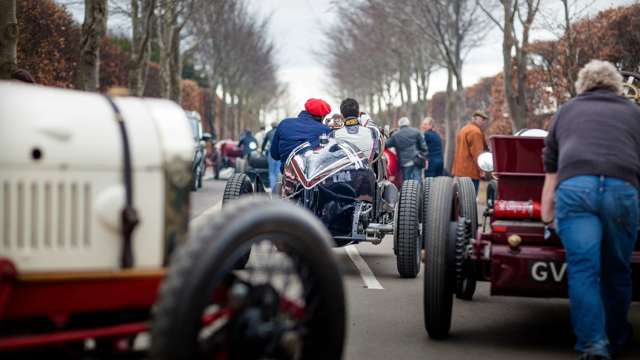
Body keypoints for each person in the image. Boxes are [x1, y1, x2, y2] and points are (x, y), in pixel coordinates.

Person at [541, 60, 640, 360]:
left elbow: (551, 166)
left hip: (575, 189)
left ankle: (593, 346)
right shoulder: (634, 113)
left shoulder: (567, 111)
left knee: (584, 270)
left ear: (582, 85)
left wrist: (547, 213)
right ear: (617, 85)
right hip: (622, 190)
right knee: (617, 269)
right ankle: (617, 337)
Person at [270, 98, 332, 171]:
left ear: (306, 110)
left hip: (288, 175)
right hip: (313, 175)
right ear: (322, 116)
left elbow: (274, 155)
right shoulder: (325, 130)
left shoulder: (284, 123)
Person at [451, 110, 489, 192]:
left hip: (460, 171)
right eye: (481, 119)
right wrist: (481, 170)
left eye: (484, 120)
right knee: (470, 201)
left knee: (460, 200)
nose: (483, 122)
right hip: (471, 172)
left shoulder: (464, 129)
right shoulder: (476, 132)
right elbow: (477, 154)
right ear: (474, 119)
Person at [385, 117, 428, 182]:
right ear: (408, 123)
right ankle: (418, 191)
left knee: (407, 183)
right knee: (417, 180)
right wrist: (423, 156)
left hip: (405, 162)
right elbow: (424, 147)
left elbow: (385, 144)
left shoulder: (396, 135)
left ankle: (409, 192)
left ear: (399, 125)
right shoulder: (416, 131)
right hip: (417, 159)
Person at [262, 121, 281, 189]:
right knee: (278, 171)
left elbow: (264, 144)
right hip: (279, 153)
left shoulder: (268, 132)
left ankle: (273, 189)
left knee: (271, 172)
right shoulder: (280, 132)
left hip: (271, 152)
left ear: (271, 126)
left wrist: (262, 150)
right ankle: (278, 188)